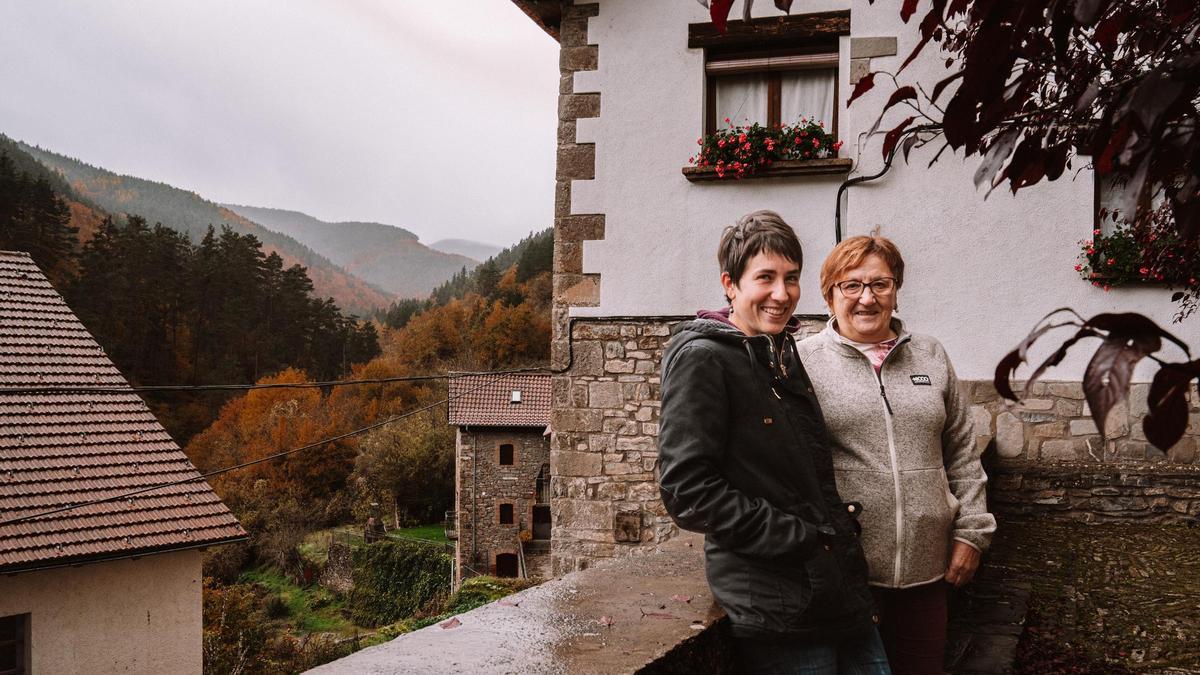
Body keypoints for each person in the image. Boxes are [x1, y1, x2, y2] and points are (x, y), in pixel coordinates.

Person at [658, 210, 889, 674]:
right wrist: (796, 538)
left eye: (792, 278)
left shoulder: (778, 351)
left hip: (832, 590)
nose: (782, 294)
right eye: (765, 277)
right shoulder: (704, 359)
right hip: (778, 605)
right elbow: (687, 490)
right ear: (730, 284)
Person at [796, 235, 996, 675]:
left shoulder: (930, 354)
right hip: (846, 574)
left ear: (896, 289)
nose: (867, 298)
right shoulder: (803, 361)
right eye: (851, 286)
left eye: (880, 284)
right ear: (829, 294)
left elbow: (962, 450)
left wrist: (972, 533)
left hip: (927, 573)